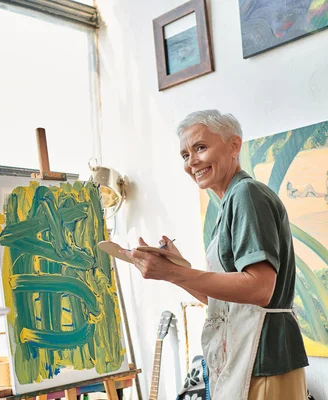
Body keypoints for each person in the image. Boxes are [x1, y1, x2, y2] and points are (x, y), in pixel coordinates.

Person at [128, 110, 308, 399]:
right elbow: (225, 304)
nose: (191, 162)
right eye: (185, 155)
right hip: (243, 357)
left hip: (264, 359)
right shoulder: (229, 204)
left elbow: (260, 289)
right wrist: (177, 271)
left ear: (234, 146)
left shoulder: (247, 194)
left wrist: (174, 272)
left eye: (200, 148)